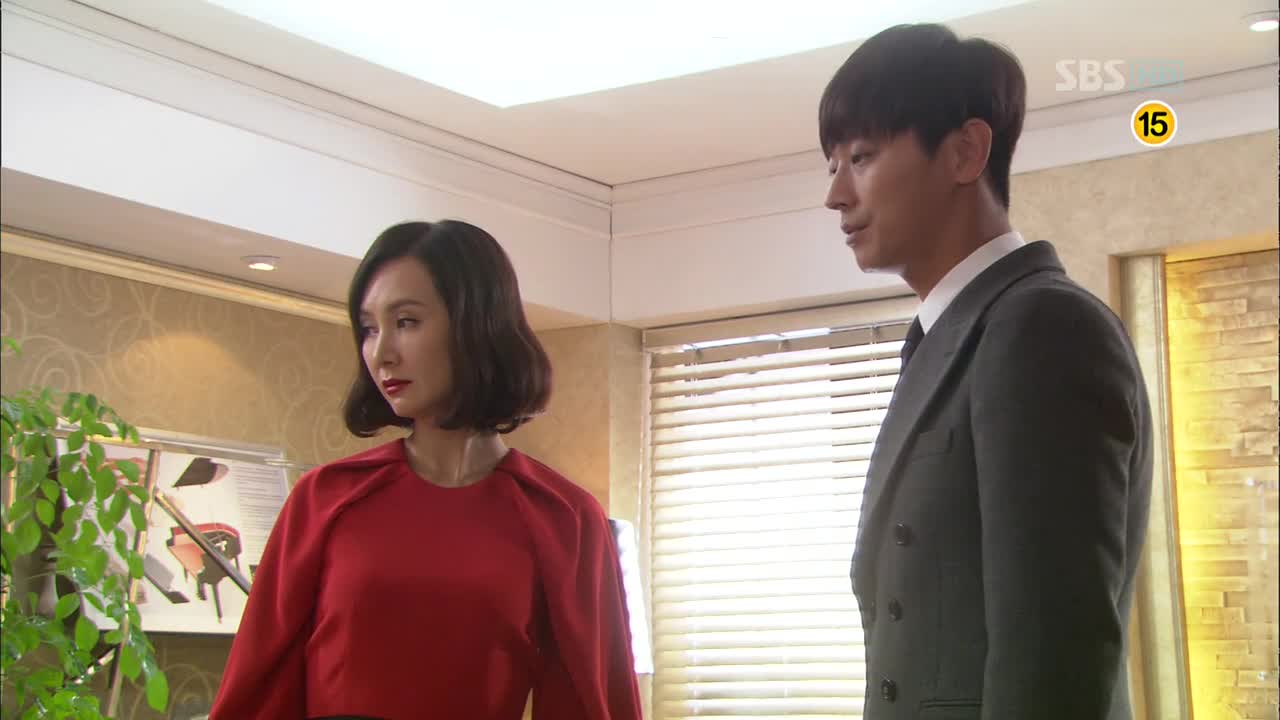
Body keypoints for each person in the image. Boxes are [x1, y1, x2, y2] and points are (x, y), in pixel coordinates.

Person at [819, 24, 1153, 720]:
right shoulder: (950, 334)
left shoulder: (1040, 326)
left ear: (966, 152)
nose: (837, 195)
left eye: (861, 156)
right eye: (832, 166)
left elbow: (1054, 654)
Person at [209, 220, 642, 719]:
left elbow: (591, 703)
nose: (381, 353)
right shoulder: (325, 498)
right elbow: (258, 691)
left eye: (407, 322)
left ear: (476, 327)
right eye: (369, 329)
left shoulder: (563, 516)